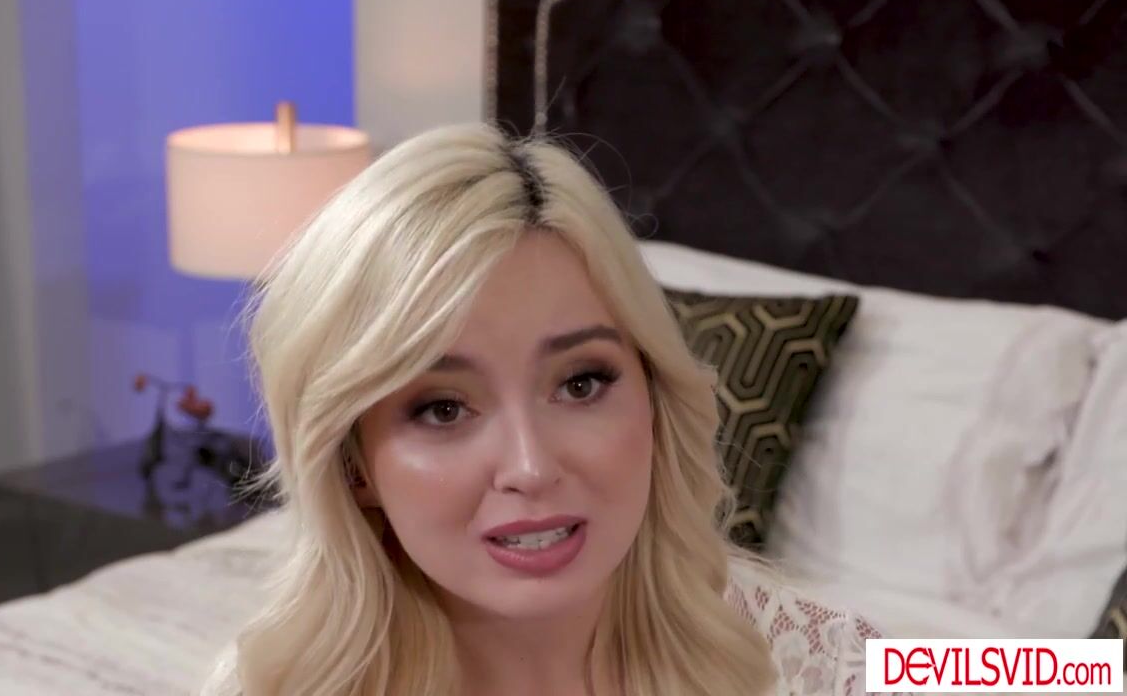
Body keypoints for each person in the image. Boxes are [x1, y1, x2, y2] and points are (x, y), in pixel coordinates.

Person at [202, 124, 896, 696]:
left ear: (655, 401)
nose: (530, 468)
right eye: (442, 409)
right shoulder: (266, 686)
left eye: (582, 384)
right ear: (353, 465)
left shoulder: (842, 663)